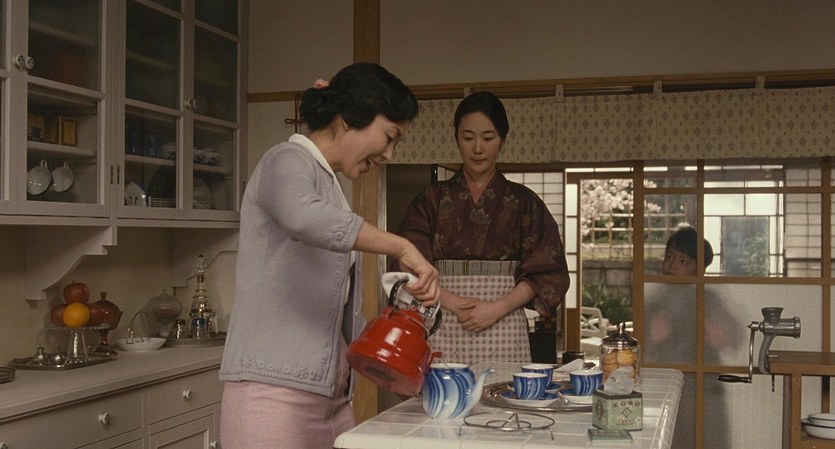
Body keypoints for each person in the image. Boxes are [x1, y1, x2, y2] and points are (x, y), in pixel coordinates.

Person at [218, 63, 440, 449]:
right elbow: (303, 217)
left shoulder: (331, 186)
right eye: (389, 137)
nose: (389, 154)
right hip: (271, 396)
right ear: (350, 118)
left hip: (331, 400)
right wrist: (402, 246)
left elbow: (330, 309)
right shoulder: (285, 160)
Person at [392, 91, 570, 366]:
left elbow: (547, 271)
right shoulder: (430, 200)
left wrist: (496, 309)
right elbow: (409, 267)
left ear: (502, 140)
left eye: (488, 138)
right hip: (443, 318)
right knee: (443, 392)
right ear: (456, 138)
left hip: (503, 322)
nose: (477, 148)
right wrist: (454, 303)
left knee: (502, 391)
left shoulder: (524, 202)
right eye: (468, 137)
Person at [644, 225, 731, 364]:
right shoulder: (654, 299)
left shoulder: (708, 299)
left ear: (700, 269)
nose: (672, 265)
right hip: (662, 374)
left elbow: (736, 338)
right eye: (669, 256)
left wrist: (723, 338)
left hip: (703, 374)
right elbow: (638, 350)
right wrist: (652, 339)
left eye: (683, 261)